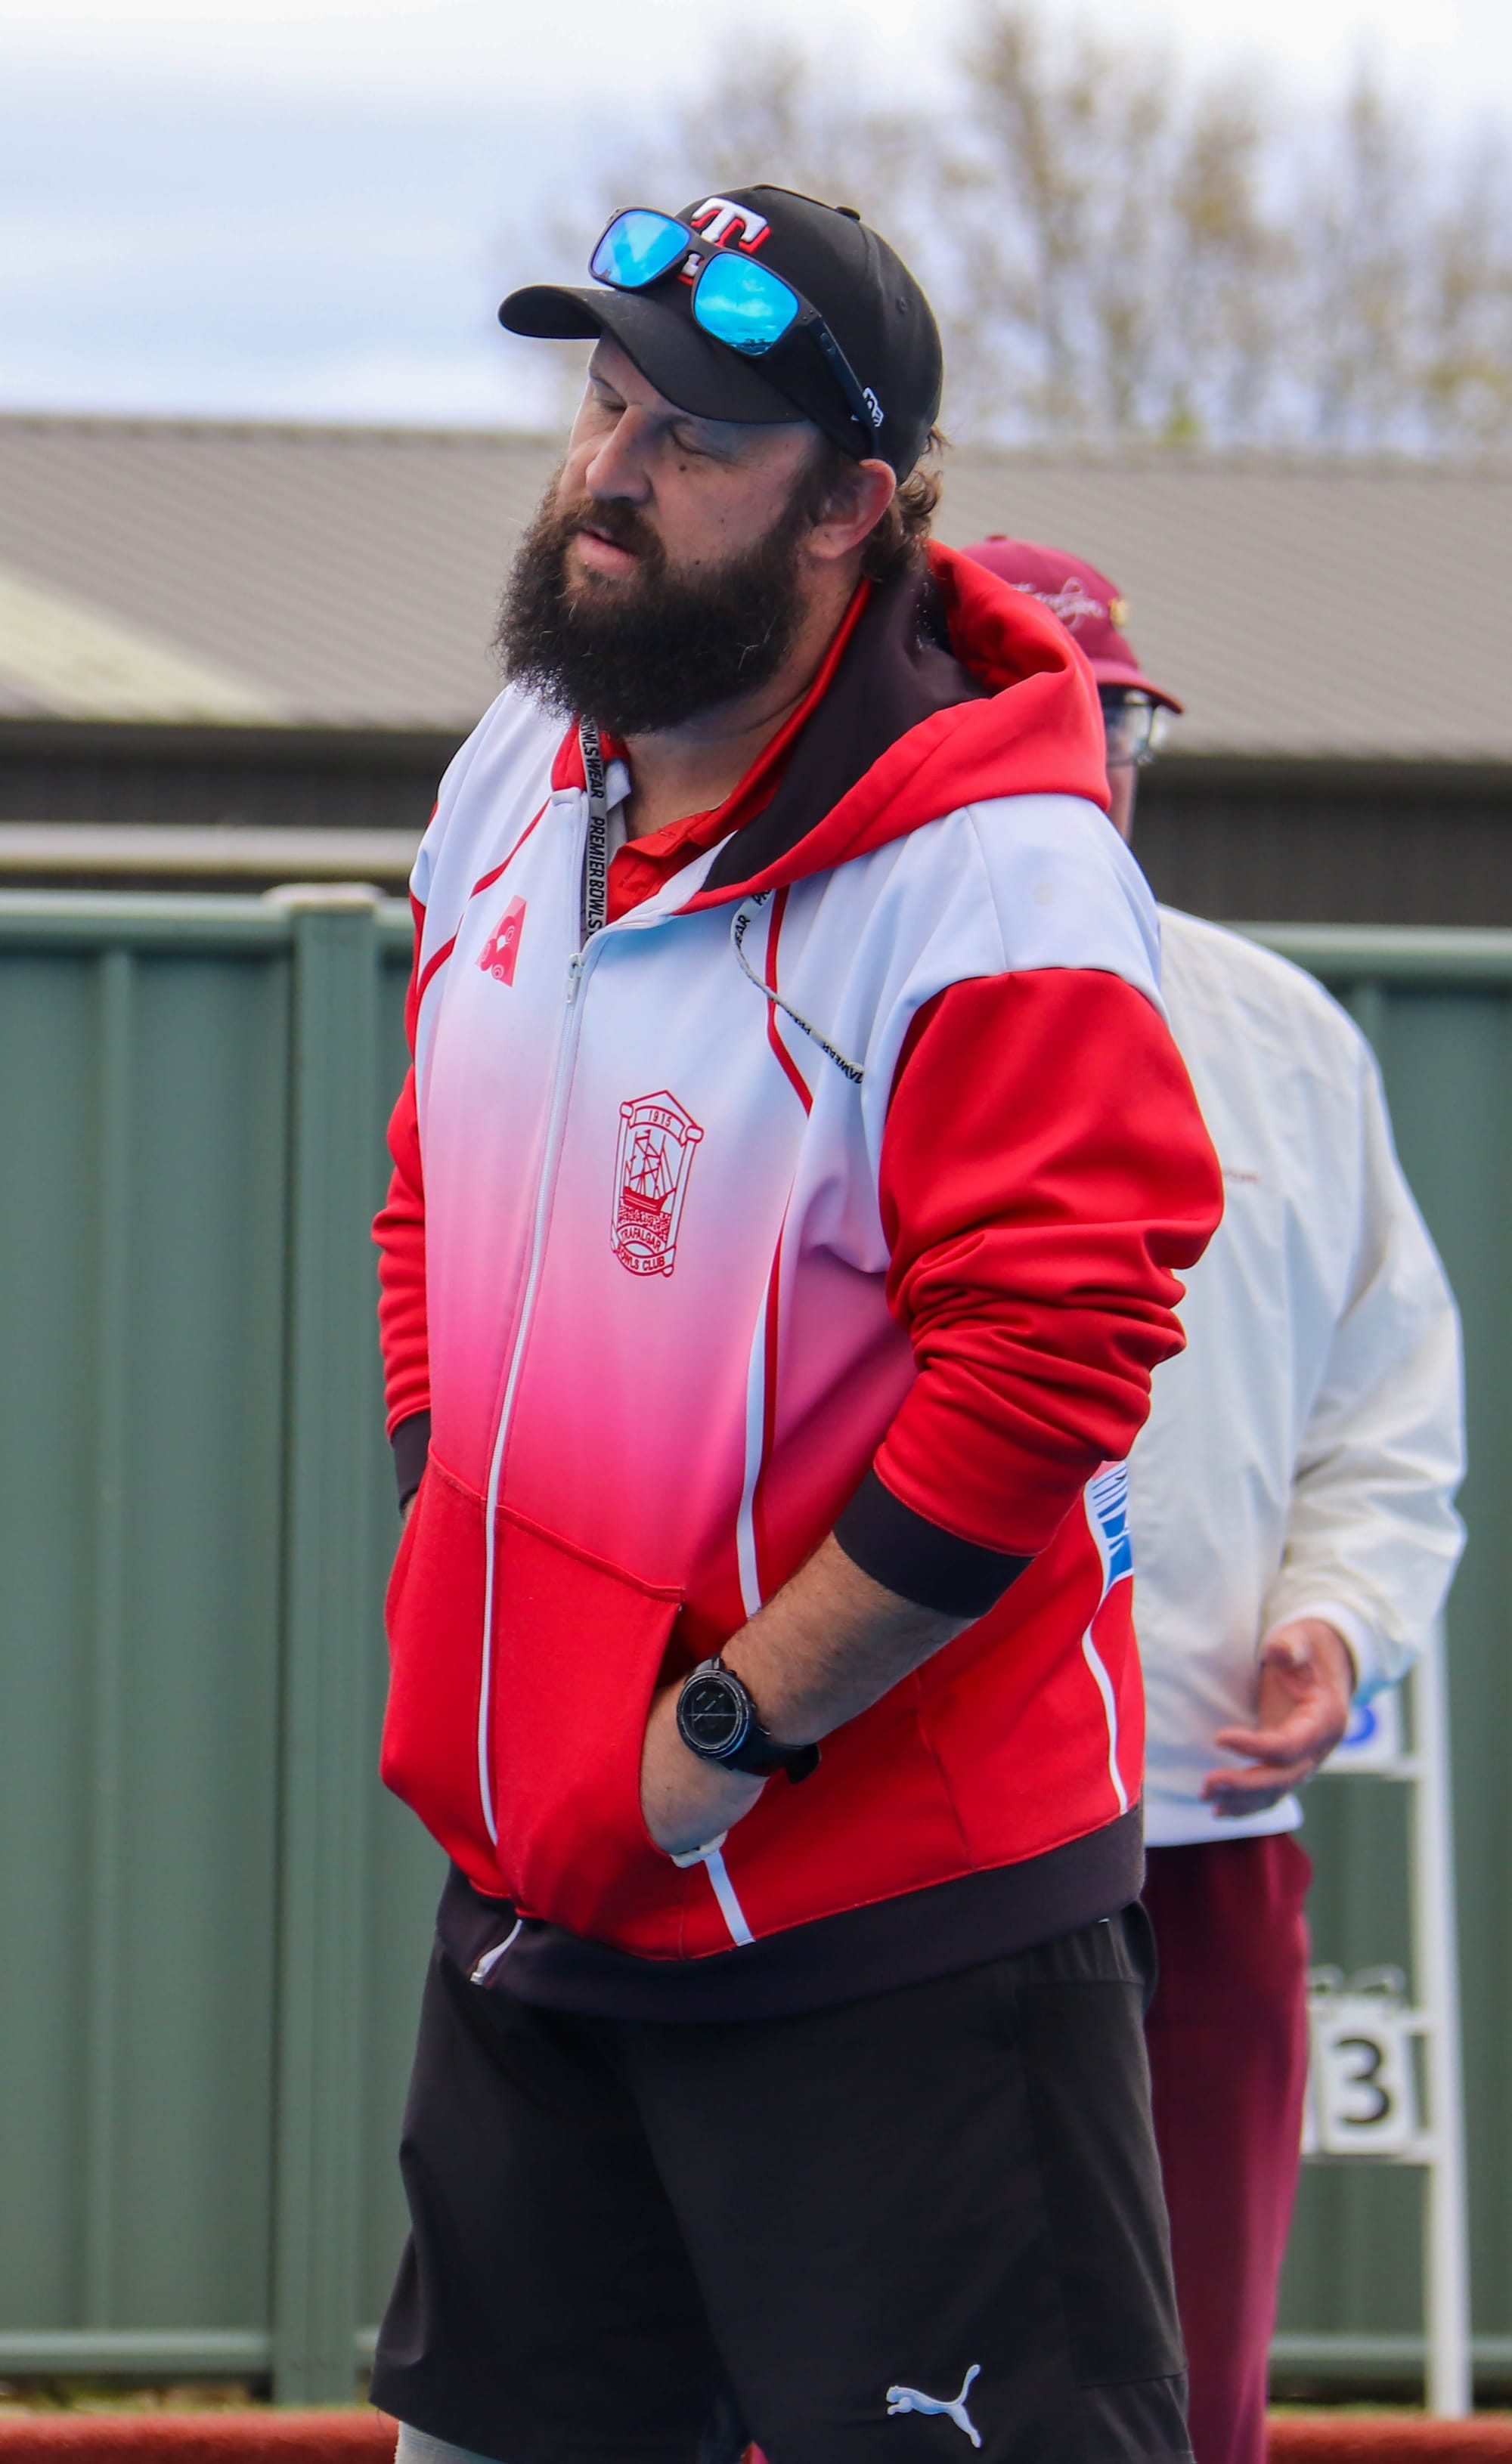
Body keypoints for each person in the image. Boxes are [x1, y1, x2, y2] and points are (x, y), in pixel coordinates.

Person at [370, 187, 1223, 2464]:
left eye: (699, 436)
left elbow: (1052, 1364)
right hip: (545, 1894)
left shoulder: (1000, 882)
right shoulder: (516, 769)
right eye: (604, 399)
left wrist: (724, 1728)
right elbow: (426, 1181)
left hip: (894, 1941)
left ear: (855, 508)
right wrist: (467, 1558)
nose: (610, 472)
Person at [964, 537, 1466, 2464]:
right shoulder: (798, 1006)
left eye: (1113, 724)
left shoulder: (1283, 1042)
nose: (1086, 769)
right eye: (1037, 720)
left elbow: (1383, 1414)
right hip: (887, 1850)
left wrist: (1335, 1622)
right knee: (863, 2379)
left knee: (1185, 2404)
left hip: (1199, 1830)